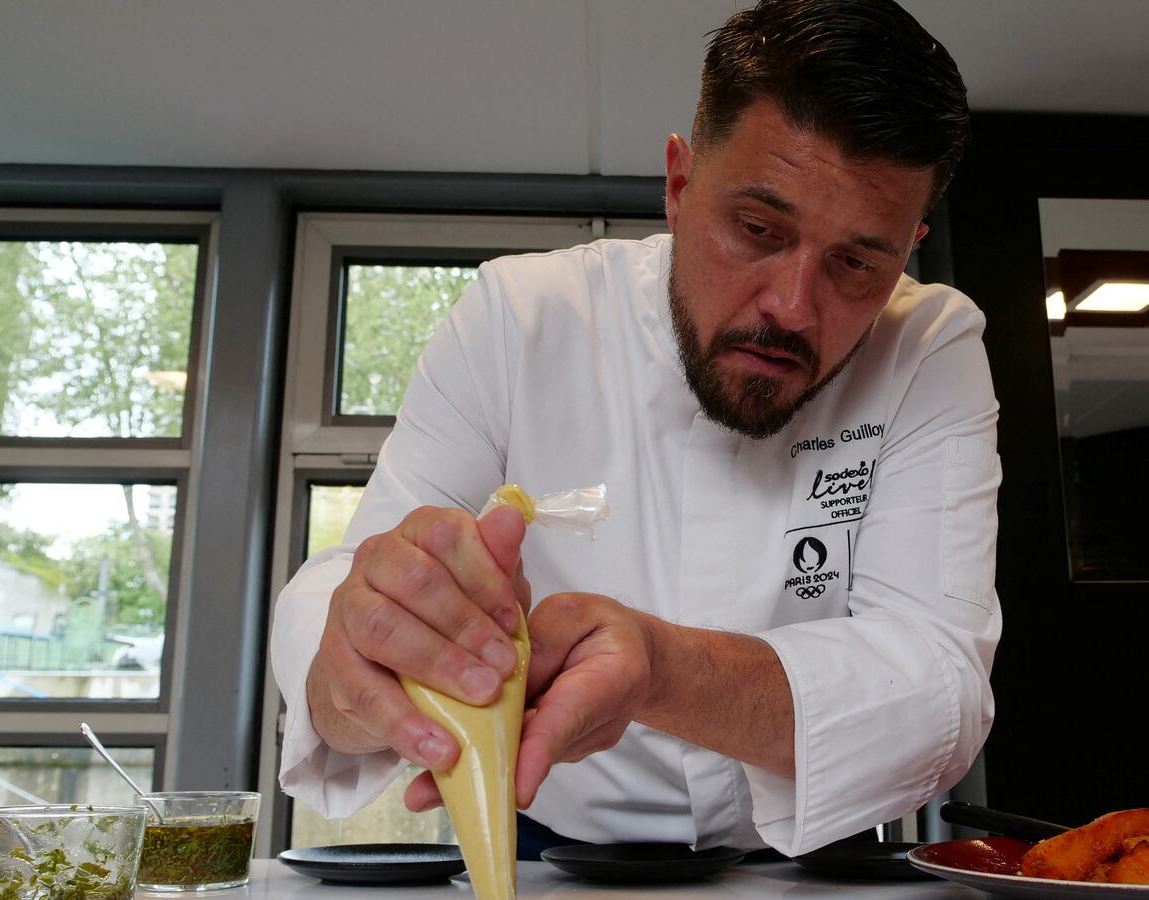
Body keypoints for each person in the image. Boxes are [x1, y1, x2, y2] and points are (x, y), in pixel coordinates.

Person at [271, 0, 1001, 859]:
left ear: (908, 248)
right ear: (680, 183)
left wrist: (660, 667)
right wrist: (359, 659)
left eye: (857, 261)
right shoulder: (521, 318)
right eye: (757, 229)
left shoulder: (928, 345)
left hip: (817, 859)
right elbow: (352, 586)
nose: (792, 308)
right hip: (544, 843)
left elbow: (941, 693)